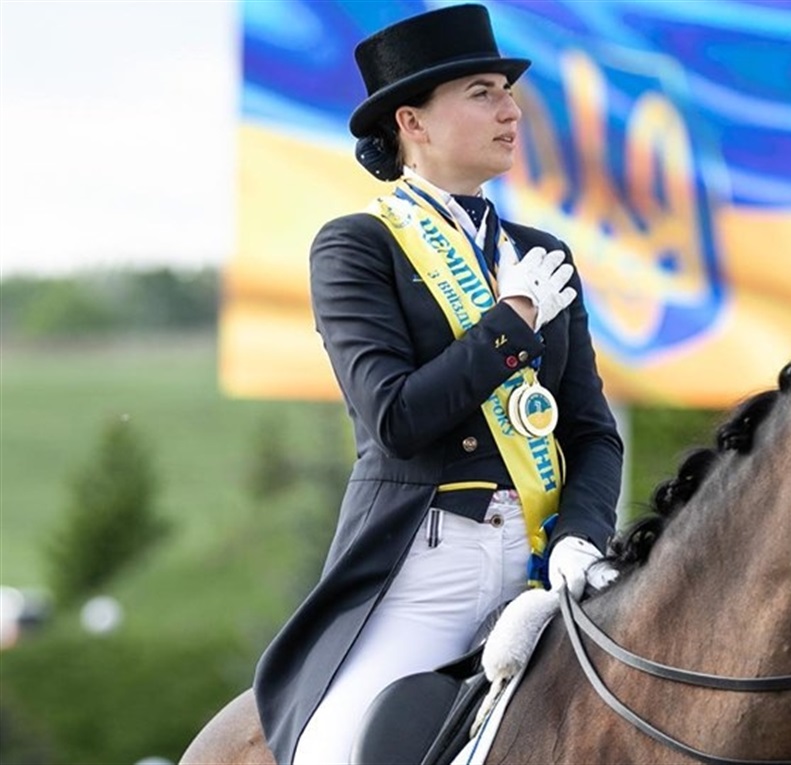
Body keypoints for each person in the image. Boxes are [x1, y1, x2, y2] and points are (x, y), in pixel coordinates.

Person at [252, 5, 623, 763]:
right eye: (483, 92)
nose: (511, 111)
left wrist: (582, 532)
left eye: (508, 92)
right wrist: (514, 317)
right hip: (426, 565)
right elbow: (396, 416)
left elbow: (590, 427)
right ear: (413, 121)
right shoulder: (357, 247)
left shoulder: (542, 253)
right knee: (336, 751)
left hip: (545, 557)